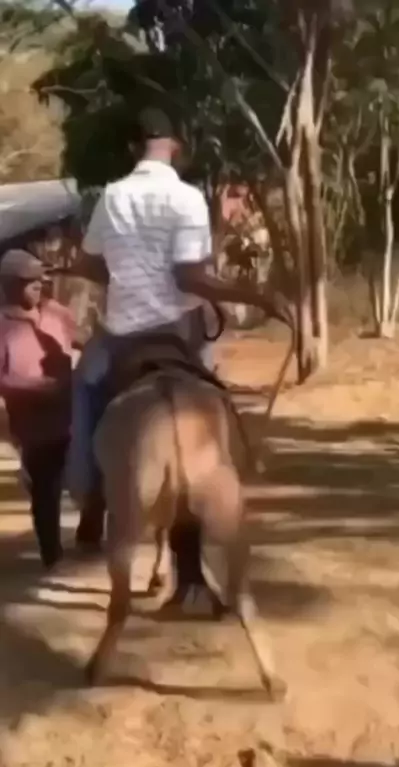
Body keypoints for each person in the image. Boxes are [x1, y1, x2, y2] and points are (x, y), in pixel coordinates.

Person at [67, 107, 287, 596]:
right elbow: (190, 277)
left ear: (133, 149)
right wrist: (257, 296)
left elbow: (88, 264)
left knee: (84, 386)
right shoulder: (187, 198)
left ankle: (86, 488)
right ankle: (237, 467)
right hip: (178, 333)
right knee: (212, 395)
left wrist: (121, 275)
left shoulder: (111, 196)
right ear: (176, 147)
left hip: (124, 332)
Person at [0, 249, 98, 569]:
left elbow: (83, 340)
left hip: (74, 411)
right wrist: (39, 387)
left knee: (95, 468)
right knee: (47, 486)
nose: (38, 286)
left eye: (39, 280)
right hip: (34, 424)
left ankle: (90, 532)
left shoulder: (57, 313)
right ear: (9, 285)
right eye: (29, 282)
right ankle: (52, 555)